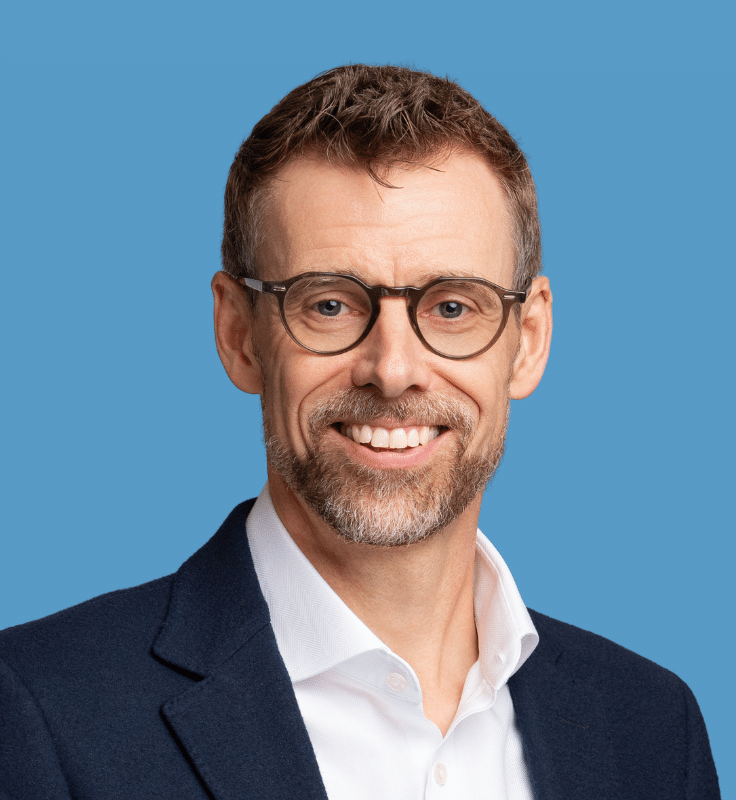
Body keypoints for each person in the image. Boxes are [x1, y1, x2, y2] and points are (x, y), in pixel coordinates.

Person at [0, 64, 720, 799]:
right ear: (239, 334)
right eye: (331, 304)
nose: (393, 368)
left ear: (529, 340)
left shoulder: (653, 731)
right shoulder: (39, 710)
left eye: (451, 307)